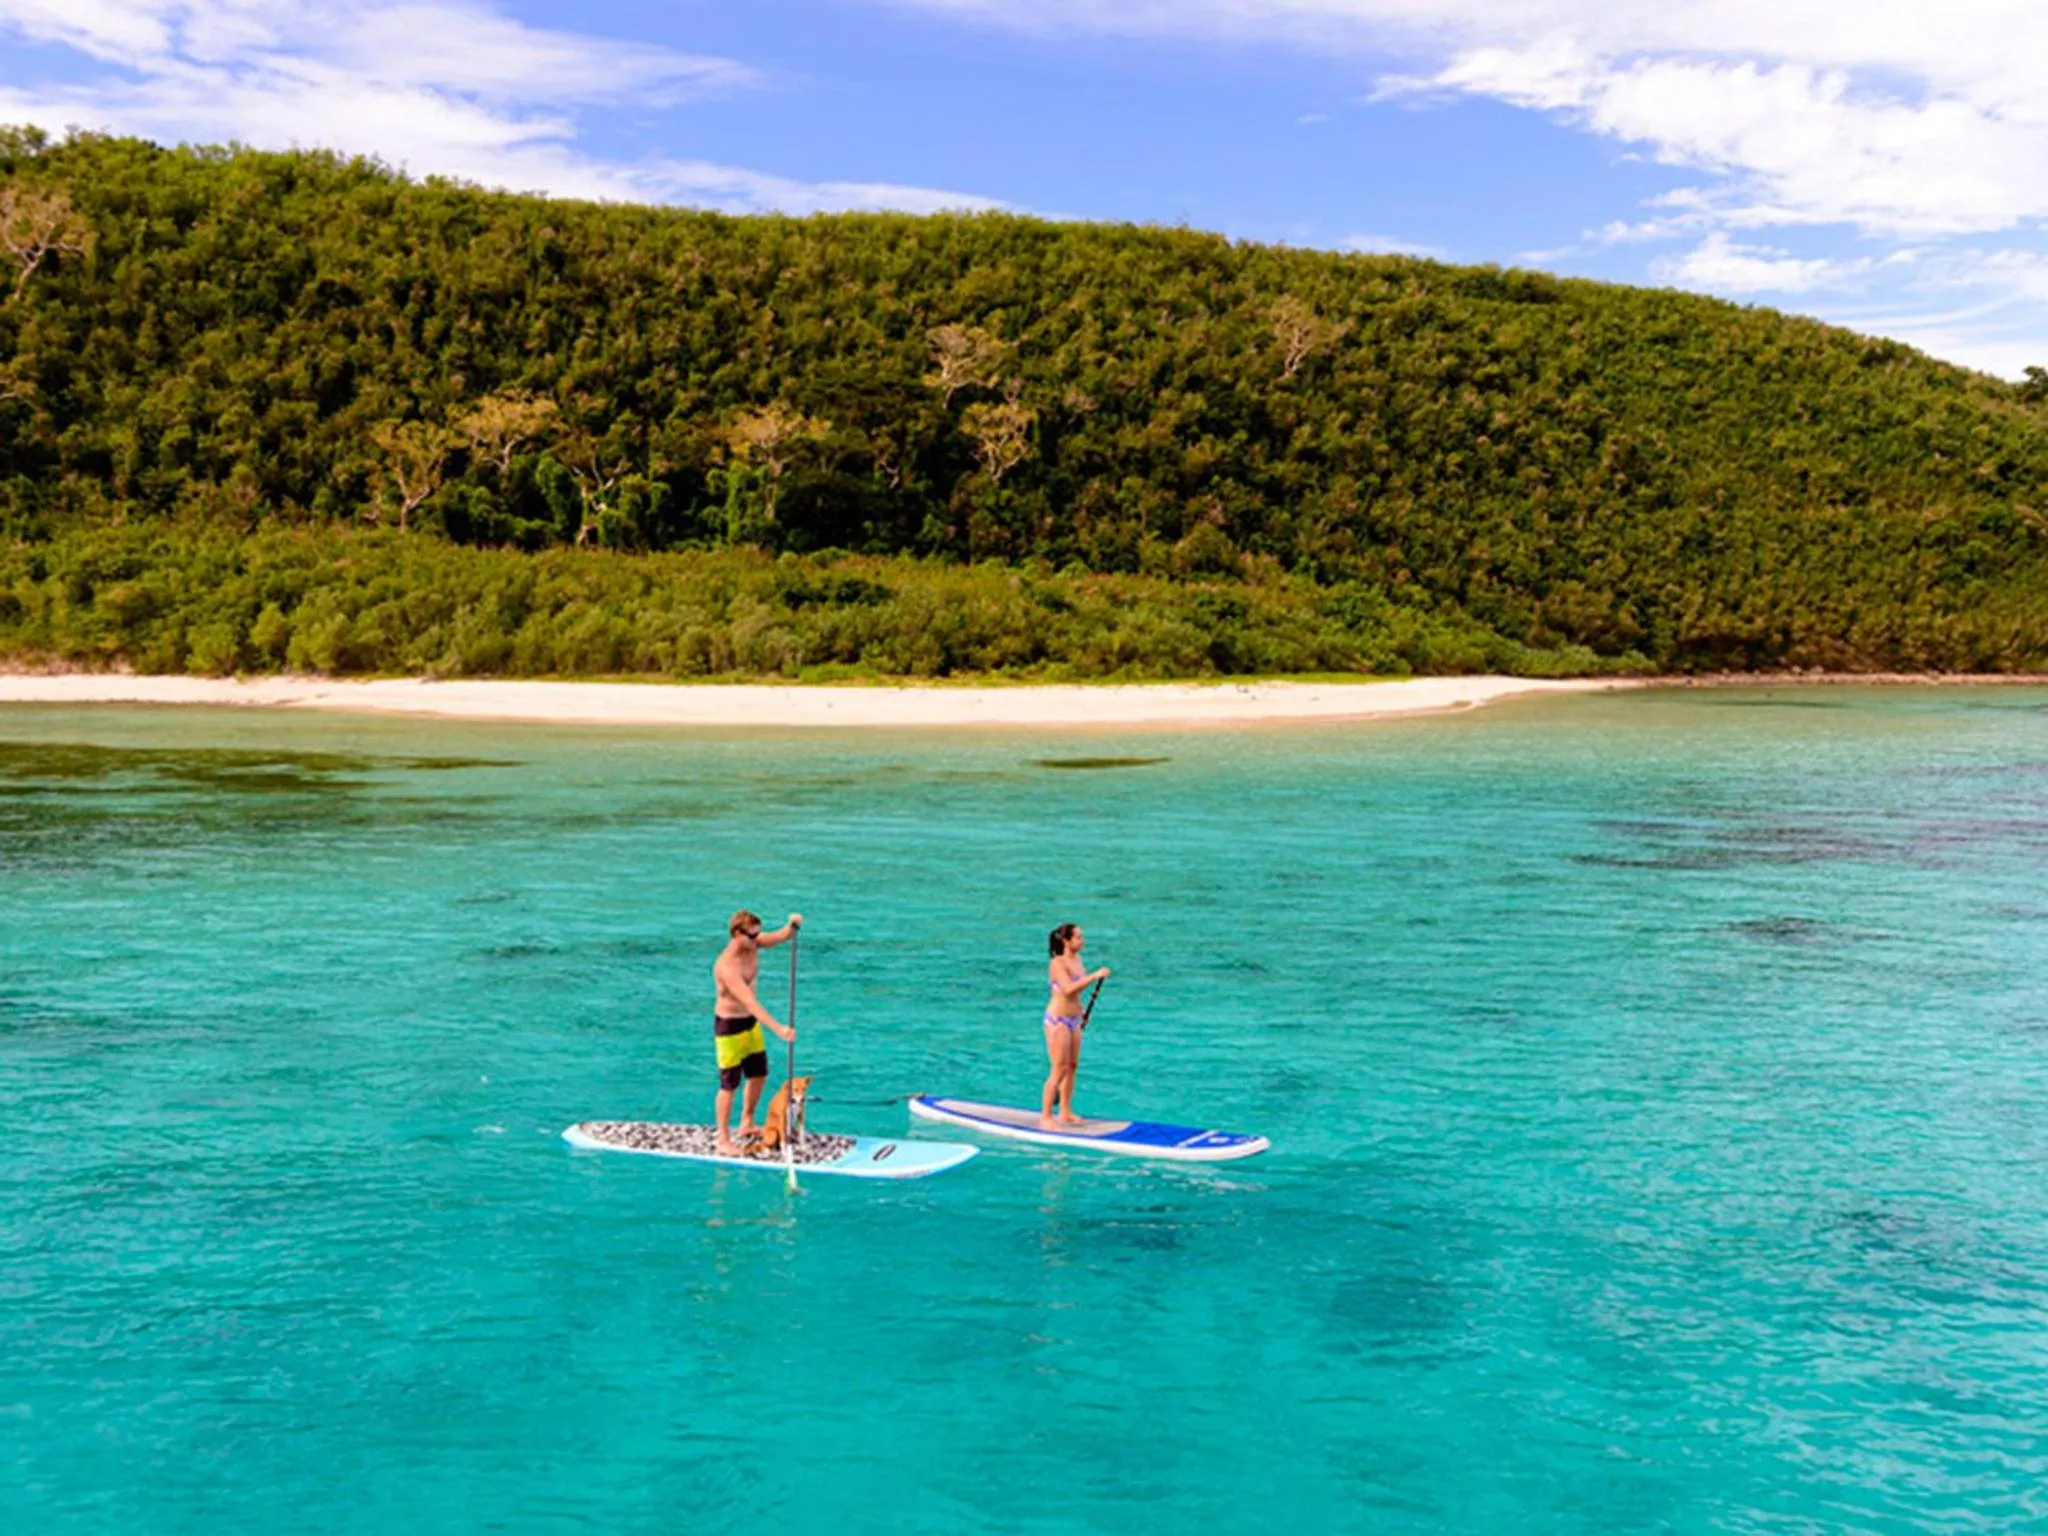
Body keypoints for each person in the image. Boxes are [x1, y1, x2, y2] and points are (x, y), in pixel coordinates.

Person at [712, 909, 801, 1155]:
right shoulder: (726, 966)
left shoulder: (753, 943)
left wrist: (791, 926)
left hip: (751, 1024)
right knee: (729, 1085)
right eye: (751, 936)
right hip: (729, 1028)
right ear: (736, 934)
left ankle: (747, 1123)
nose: (756, 939)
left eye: (757, 934)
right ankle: (723, 1139)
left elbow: (780, 937)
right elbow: (750, 1001)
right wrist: (779, 1029)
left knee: (759, 1073)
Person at [1042, 922, 1109, 1128]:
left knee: (1072, 1067)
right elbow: (1068, 989)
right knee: (1059, 1068)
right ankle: (1046, 1116)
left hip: (1073, 1020)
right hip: (1058, 1021)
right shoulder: (1057, 963)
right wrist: (1094, 976)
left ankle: (1065, 1111)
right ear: (1066, 941)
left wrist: (1081, 1010)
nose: (1083, 941)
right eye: (1078, 937)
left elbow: (1076, 995)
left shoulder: (1078, 960)